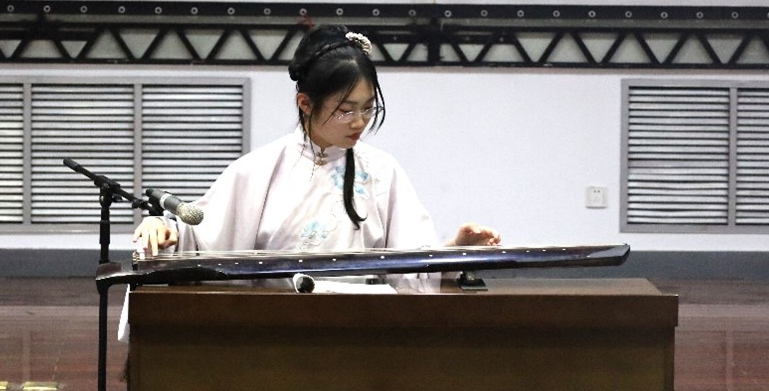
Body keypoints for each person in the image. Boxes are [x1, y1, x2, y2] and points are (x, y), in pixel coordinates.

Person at [132, 24, 500, 260]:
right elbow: (202, 240)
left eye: (368, 108)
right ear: (305, 103)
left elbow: (414, 260)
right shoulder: (257, 170)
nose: (359, 122)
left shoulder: (382, 172)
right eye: (345, 110)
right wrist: (163, 230)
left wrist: (457, 249)